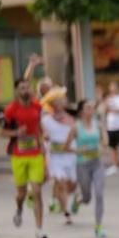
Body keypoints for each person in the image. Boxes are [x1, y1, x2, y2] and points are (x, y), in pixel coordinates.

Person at [1, 77, 49, 238]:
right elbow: (2, 133)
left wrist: (42, 142)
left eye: (27, 88)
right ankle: (19, 208)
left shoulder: (37, 106)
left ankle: (39, 230)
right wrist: (16, 133)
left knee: (37, 191)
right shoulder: (11, 110)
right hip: (18, 155)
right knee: (21, 193)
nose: (25, 91)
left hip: (35, 153)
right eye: (22, 88)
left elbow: (39, 127)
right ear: (16, 91)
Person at [70, 99, 107, 238]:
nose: (91, 110)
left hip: (97, 164)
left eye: (92, 108)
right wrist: (79, 150)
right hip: (82, 165)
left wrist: (103, 143)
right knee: (87, 198)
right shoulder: (76, 127)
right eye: (88, 108)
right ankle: (78, 201)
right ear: (81, 111)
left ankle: (98, 226)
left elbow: (105, 142)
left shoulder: (98, 125)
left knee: (99, 194)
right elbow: (66, 147)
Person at [41, 90, 78, 225]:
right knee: (60, 183)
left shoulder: (71, 119)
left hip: (71, 156)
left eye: (62, 100)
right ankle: (66, 213)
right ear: (51, 104)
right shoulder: (45, 120)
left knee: (72, 186)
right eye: (57, 100)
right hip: (56, 158)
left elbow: (77, 135)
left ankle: (73, 197)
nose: (61, 102)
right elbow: (41, 136)